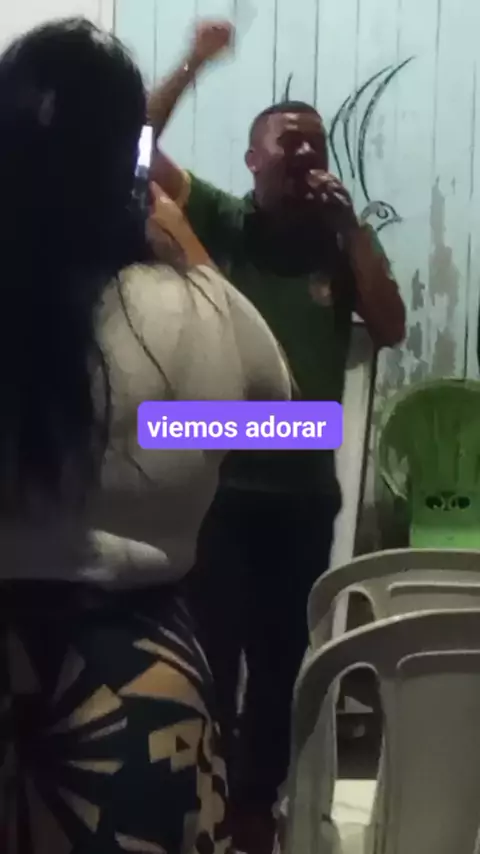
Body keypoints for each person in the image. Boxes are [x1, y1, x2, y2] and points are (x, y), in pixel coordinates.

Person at [0, 18, 290, 853]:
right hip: (142, 694)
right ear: (126, 161)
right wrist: (165, 425)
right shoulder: (194, 303)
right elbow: (292, 422)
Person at [148, 20, 407, 854]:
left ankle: (256, 809)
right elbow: (138, 149)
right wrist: (192, 62)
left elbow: (391, 327)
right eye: (287, 141)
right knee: (212, 655)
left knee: (282, 660)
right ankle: (209, 796)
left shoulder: (335, 239)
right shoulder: (226, 220)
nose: (304, 153)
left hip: (301, 498)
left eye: (315, 143)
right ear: (252, 160)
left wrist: (352, 229)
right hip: (221, 495)